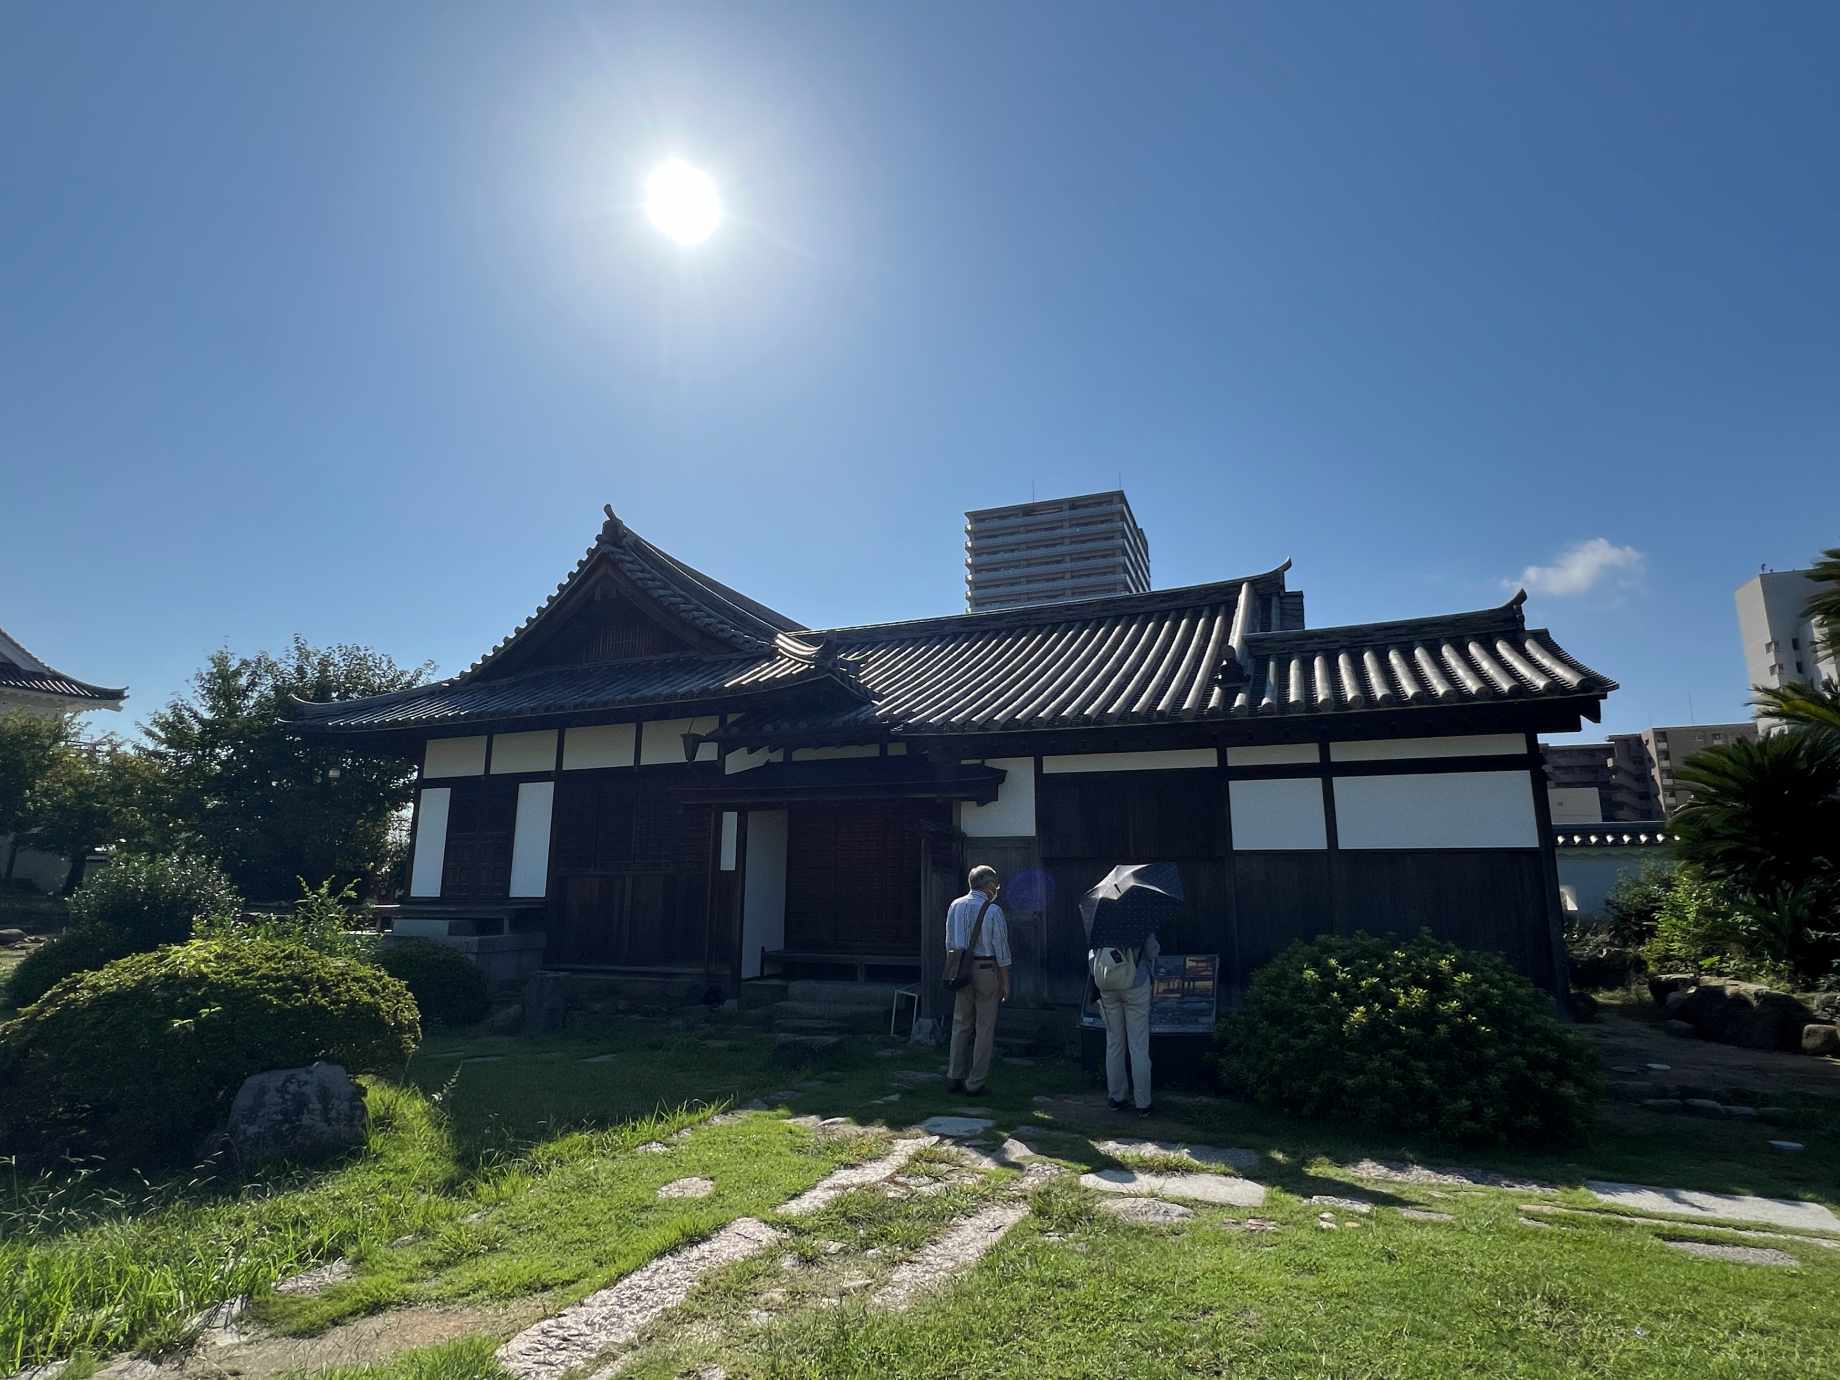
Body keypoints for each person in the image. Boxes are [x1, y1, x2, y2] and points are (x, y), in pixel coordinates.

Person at [945, 864, 1010, 1096]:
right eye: (996, 884)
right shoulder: (993, 910)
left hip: (961, 969)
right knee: (984, 1027)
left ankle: (954, 1075)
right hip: (985, 969)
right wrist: (1005, 981)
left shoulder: (955, 905)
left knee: (960, 1023)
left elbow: (949, 943)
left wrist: (953, 970)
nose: (997, 888)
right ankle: (975, 1082)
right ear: (989, 885)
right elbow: (1001, 950)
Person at [1098, 927, 1158, 1117]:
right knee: (1138, 1045)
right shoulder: (1139, 919)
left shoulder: (1101, 920)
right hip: (1136, 983)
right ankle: (1143, 1103)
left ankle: (1116, 1097)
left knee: (1114, 1043)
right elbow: (1152, 952)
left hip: (1108, 983)